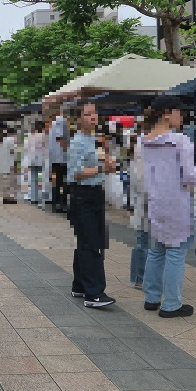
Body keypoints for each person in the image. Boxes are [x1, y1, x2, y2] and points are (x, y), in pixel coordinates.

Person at [141, 96, 196, 317]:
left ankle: (152, 297)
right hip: (177, 202)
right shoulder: (179, 140)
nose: (181, 117)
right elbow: (190, 176)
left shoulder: (144, 140)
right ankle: (171, 304)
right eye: (179, 112)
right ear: (167, 113)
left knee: (156, 250)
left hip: (156, 201)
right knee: (176, 252)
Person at [67, 102, 117, 308]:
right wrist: (101, 169)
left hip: (95, 193)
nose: (93, 117)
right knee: (91, 243)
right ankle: (94, 293)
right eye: (87, 114)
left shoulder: (94, 139)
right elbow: (75, 172)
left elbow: (101, 164)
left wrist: (107, 163)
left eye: (94, 113)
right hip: (83, 195)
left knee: (88, 241)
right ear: (79, 118)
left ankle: (79, 285)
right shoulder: (77, 142)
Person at [128, 121, 150, 289]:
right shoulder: (145, 145)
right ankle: (141, 277)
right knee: (145, 239)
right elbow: (142, 178)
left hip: (142, 198)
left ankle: (138, 277)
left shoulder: (140, 144)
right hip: (147, 198)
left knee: (142, 239)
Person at [49, 112, 70, 212]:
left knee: (57, 181)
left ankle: (56, 202)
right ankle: (61, 203)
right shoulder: (61, 121)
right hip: (61, 158)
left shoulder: (53, 123)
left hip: (55, 158)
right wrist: (68, 150)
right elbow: (60, 138)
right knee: (63, 181)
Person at [23, 121, 47, 204]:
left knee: (33, 179)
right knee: (44, 178)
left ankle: (33, 197)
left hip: (31, 159)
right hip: (42, 159)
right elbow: (47, 148)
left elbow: (25, 147)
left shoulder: (30, 136)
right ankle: (45, 196)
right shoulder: (44, 136)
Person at [0, 127, 17, 204]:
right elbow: (13, 153)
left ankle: (5, 197)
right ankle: (10, 197)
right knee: (10, 181)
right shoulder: (10, 141)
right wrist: (15, 162)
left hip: (1, 165)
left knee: (3, 181)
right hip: (9, 163)